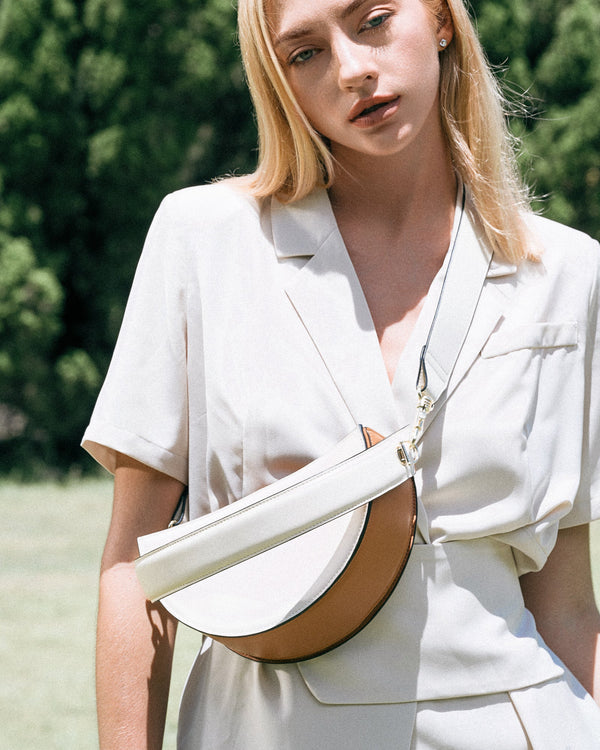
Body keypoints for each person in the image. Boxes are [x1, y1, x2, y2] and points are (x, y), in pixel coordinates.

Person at [82, 0, 600, 747]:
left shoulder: (567, 271)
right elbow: (134, 570)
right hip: (263, 726)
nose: (353, 70)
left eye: (373, 20)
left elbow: (566, 603)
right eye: (305, 53)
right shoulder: (205, 241)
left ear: (441, 19)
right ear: (279, 81)